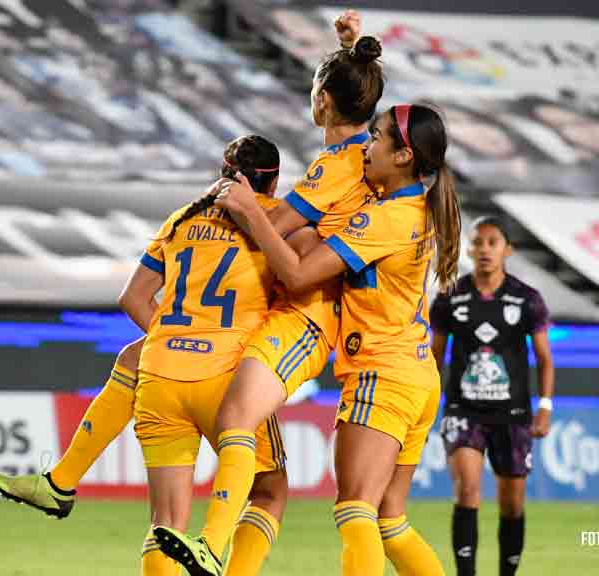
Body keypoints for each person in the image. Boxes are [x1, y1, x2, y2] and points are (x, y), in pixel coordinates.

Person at [155, 14, 386, 576]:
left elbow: (276, 224)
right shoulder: (360, 148)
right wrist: (350, 49)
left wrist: (228, 206)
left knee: (237, 420)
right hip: (277, 317)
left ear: (323, 102)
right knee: (271, 484)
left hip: (306, 318)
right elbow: (365, 111)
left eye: (315, 88)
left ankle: (210, 544)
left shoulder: (334, 169)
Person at [202, 103, 459, 576]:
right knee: (390, 519)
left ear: (404, 156)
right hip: (418, 377)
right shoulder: (413, 208)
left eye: (378, 138)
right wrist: (354, 58)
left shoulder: (385, 221)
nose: (368, 146)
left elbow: (299, 275)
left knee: (355, 508)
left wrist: (250, 213)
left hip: (381, 375)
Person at [128, 135, 289, 576]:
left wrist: (176, 344)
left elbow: (134, 298)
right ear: (272, 183)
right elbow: (299, 273)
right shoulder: (276, 219)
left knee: (165, 522)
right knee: (270, 490)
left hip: (163, 375)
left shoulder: (183, 218)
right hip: (229, 374)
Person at [430, 216, 555, 576]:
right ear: (468, 249)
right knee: (467, 490)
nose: (484, 249)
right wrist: (424, 405)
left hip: (512, 414)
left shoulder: (527, 299)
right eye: (478, 242)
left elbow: (545, 359)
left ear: (507, 250)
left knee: (511, 505)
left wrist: (544, 408)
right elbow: (435, 358)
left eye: (492, 242)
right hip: (463, 410)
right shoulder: (450, 297)